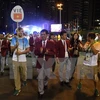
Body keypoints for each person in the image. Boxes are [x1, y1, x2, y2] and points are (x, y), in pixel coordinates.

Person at [77, 32, 100, 97]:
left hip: (93, 64)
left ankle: (96, 89)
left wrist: (91, 45)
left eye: (88, 37)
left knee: (95, 79)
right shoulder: (87, 43)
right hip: (85, 63)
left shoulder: (97, 44)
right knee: (81, 75)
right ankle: (80, 84)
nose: (87, 38)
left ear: (90, 38)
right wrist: (81, 47)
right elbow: (84, 51)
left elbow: (95, 52)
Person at [34, 29, 56, 98]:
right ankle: (41, 92)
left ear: (47, 35)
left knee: (47, 76)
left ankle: (45, 83)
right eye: (41, 34)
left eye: (44, 34)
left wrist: (48, 53)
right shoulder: (37, 43)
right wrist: (40, 52)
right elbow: (35, 52)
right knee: (40, 78)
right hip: (40, 62)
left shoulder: (51, 43)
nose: (42, 36)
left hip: (48, 62)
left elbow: (54, 52)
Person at [11, 27, 30, 96]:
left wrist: (21, 53)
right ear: (17, 32)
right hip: (15, 59)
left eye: (21, 31)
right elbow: (11, 50)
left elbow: (28, 50)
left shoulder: (25, 40)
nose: (20, 32)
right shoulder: (14, 39)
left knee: (24, 73)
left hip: (23, 59)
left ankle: (24, 80)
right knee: (16, 75)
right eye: (19, 31)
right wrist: (15, 46)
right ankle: (17, 88)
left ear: (23, 32)